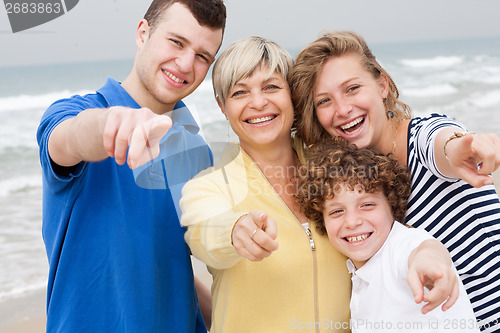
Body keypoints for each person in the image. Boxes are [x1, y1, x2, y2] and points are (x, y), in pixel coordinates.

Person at [179, 36, 459, 333]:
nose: (258, 102)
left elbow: (388, 232)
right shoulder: (210, 187)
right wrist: (235, 230)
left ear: (293, 97)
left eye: (272, 87)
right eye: (239, 92)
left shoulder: (336, 167)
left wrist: (427, 251)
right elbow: (203, 230)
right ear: (223, 106)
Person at [290, 30, 500, 331]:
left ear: (382, 84)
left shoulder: (422, 137)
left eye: (352, 88)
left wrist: (457, 148)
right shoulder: (355, 181)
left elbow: (442, 143)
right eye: (325, 101)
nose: (343, 109)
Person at [36, 0, 226, 331]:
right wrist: (111, 124)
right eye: (176, 42)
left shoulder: (196, 150)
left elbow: (169, 263)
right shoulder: (78, 112)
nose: (184, 63)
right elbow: (68, 139)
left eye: (202, 56)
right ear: (143, 33)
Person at [296, 137, 480, 332]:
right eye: (336, 211)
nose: (352, 222)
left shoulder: (401, 246)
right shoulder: (357, 277)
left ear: (391, 205)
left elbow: (425, 250)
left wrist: (431, 265)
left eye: (367, 205)